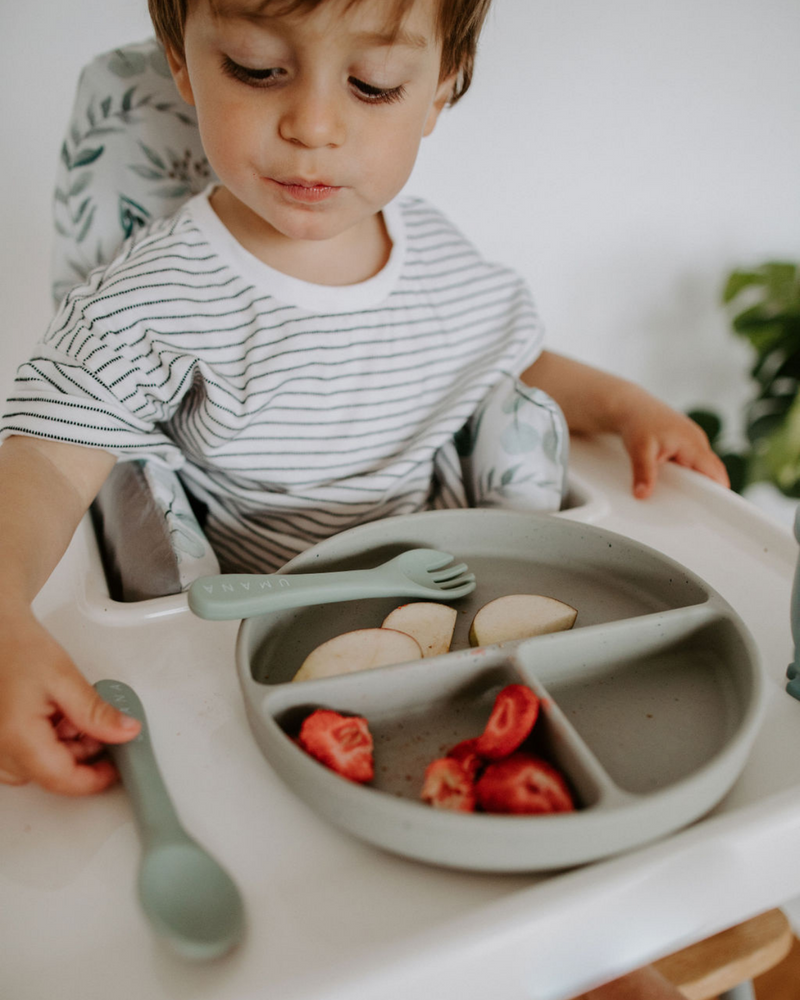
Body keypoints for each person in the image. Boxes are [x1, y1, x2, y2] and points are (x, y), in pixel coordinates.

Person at [0, 0, 728, 797]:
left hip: (462, 610)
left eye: (373, 84)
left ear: (441, 87)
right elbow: (43, 461)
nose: (313, 125)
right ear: (182, 63)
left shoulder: (438, 257)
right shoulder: (149, 301)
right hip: (257, 638)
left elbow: (518, 360)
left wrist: (627, 407)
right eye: (254, 68)